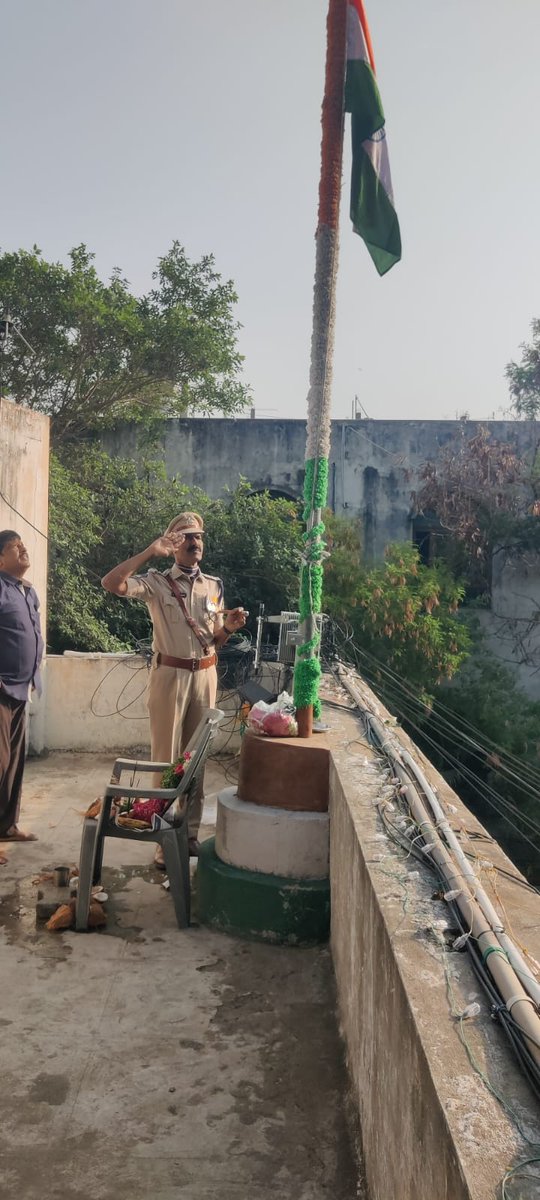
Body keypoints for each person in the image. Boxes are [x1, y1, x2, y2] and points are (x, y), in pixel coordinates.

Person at [101, 512, 247, 860]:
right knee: (166, 759)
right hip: (169, 677)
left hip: (205, 675)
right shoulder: (155, 582)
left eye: (199, 537)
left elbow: (213, 639)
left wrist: (228, 629)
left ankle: (189, 834)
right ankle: (162, 836)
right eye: (185, 537)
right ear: (172, 544)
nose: (195, 542)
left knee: (195, 759)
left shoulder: (214, 585)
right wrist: (151, 552)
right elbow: (112, 583)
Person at [0, 530, 43, 863]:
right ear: (1, 558)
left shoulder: (27, 591)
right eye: (16, 547)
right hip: (1, 691)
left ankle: (8, 826)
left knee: (14, 764)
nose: (24, 550)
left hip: (22, 689)